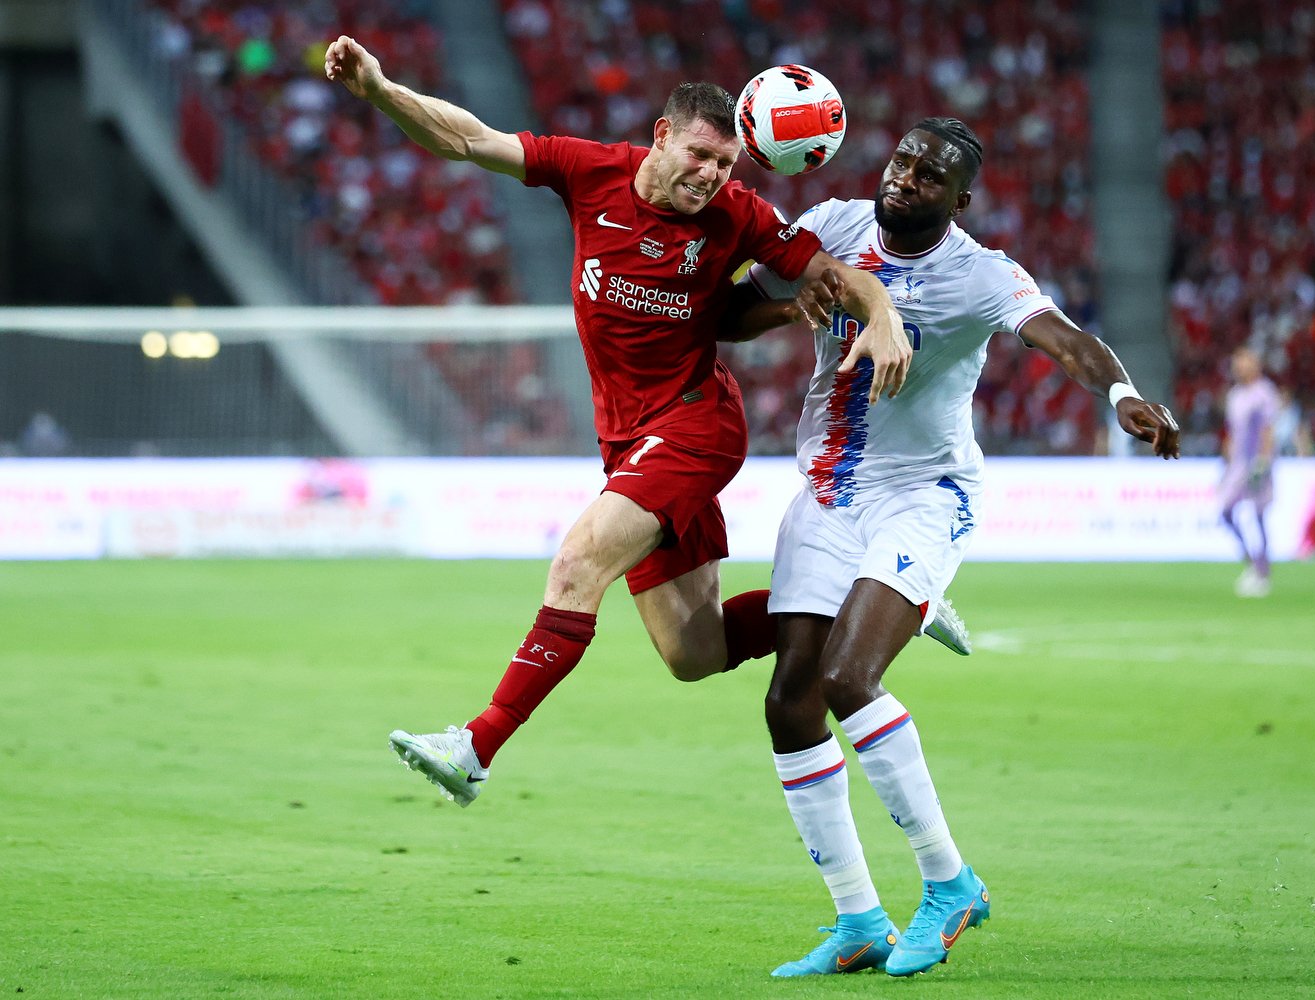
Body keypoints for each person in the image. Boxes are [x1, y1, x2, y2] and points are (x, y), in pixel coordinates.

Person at [323, 36, 922, 807]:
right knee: (693, 650)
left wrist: (883, 316)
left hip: (695, 424)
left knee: (577, 564)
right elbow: (467, 137)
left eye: (726, 165)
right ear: (662, 134)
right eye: (701, 155)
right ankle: (876, 600)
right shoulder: (588, 170)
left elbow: (835, 275)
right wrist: (377, 88)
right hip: (628, 438)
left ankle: (476, 746)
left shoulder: (740, 216)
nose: (711, 175)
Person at [732, 118, 1180, 977]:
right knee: (790, 700)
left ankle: (950, 883)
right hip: (828, 493)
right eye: (902, 162)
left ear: (957, 199)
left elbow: (1063, 337)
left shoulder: (978, 274)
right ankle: (857, 919)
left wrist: (1120, 392)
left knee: (847, 679)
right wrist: (797, 300)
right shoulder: (830, 226)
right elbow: (732, 313)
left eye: (929, 177)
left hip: (924, 495)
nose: (905, 180)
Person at [1219, 346, 1280, 597]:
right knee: (1225, 511)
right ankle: (1252, 561)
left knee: (1259, 515)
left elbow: (1267, 429)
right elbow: (1232, 432)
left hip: (1256, 463)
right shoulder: (1234, 395)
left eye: (1243, 362)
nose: (1238, 367)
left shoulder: (1264, 393)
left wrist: (1263, 461)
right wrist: (1226, 459)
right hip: (1237, 465)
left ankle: (1263, 571)